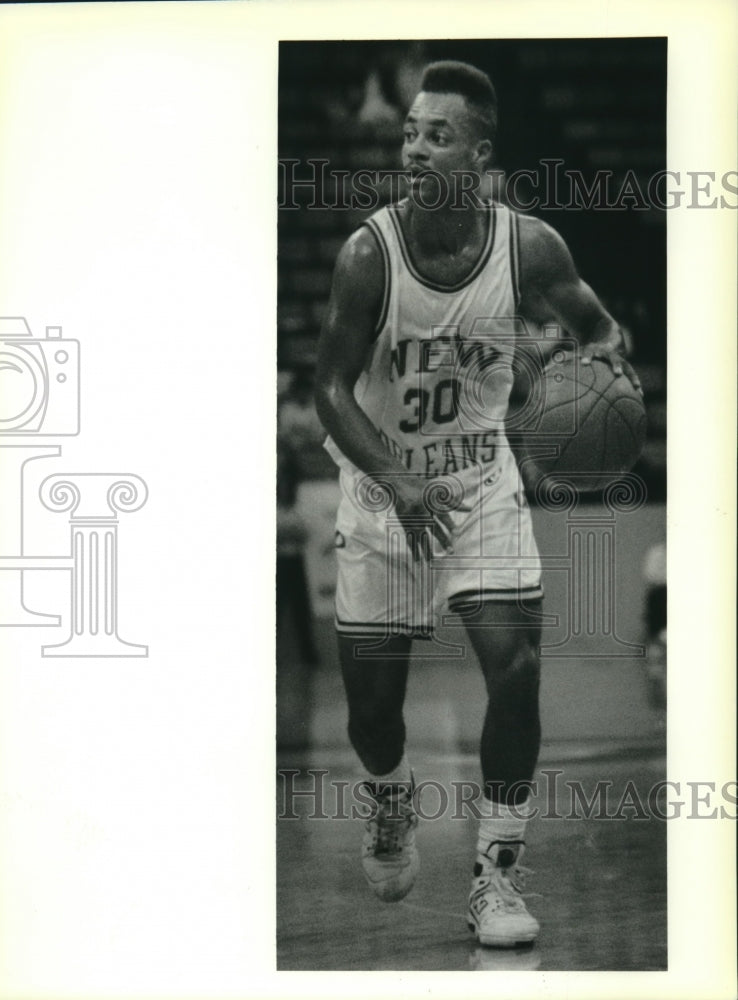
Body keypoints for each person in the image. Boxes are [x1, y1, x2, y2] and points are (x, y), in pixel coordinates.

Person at [314, 60, 640, 948]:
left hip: (479, 487)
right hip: (384, 496)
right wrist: (397, 477)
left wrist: (608, 357)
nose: (415, 147)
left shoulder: (529, 246)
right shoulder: (367, 257)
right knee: (374, 715)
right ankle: (390, 799)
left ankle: (495, 874)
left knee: (519, 668)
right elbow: (331, 392)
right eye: (411, 132)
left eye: (438, 135)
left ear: (480, 153)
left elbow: (598, 322)